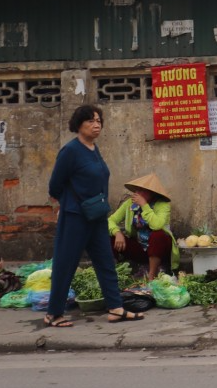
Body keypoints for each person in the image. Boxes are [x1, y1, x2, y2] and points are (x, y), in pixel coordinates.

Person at [45, 104, 143, 327]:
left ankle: (116, 308)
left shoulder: (93, 148)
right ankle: (53, 313)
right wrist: (70, 204)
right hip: (75, 217)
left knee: (105, 262)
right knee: (66, 264)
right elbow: (55, 186)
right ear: (79, 125)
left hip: (97, 216)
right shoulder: (70, 151)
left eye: (98, 120)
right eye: (90, 120)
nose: (96, 124)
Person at [109, 173, 180, 278]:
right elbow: (110, 220)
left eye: (141, 190)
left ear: (152, 193)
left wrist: (144, 205)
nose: (137, 193)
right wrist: (117, 232)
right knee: (109, 237)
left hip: (159, 251)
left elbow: (157, 225)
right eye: (136, 190)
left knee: (158, 235)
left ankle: (151, 276)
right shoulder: (130, 203)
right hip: (140, 248)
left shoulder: (163, 205)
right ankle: (111, 272)